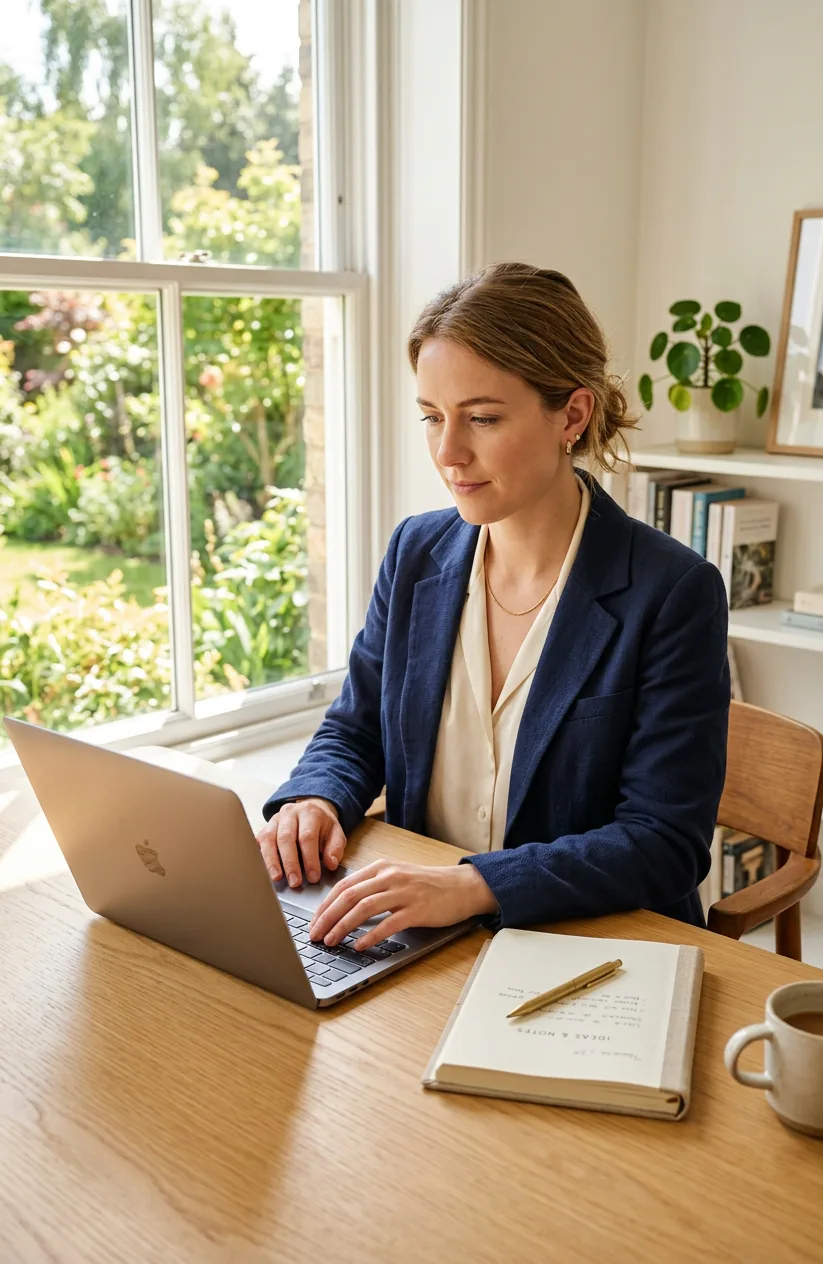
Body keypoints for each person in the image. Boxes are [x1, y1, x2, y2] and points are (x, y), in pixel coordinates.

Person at [255, 262, 730, 954]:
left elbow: (663, 843)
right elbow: (356, 729)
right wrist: (315, 798)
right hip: (423, 938)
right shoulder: (416, 552)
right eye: (432, 418)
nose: (448, 452)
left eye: (481, 417)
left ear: (572, 414)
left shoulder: (672, 591)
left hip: (591, 947)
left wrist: (474, 885)